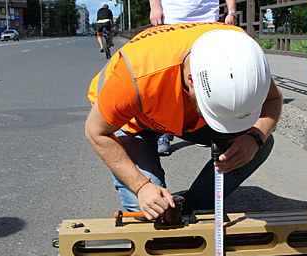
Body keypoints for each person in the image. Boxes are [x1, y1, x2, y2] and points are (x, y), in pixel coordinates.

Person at [86, 23, 283, 220]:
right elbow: (96, 132)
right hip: (133, 123)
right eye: (213, 113)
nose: (221, 125)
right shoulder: (138, 76)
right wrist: (141, 186)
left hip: (179, 115)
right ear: (191, 81)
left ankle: (193, 208)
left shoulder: (241, 53)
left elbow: (274, 99)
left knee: (262, 141)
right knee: (148, 212)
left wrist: (254, 137)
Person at [149, 0, 237, 156]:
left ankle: (205, 126)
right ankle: (164, 133)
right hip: (173, 19)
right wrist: (155, 7)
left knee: (209, 78)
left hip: (207, 19)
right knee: (170, 80)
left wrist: (231, 11)